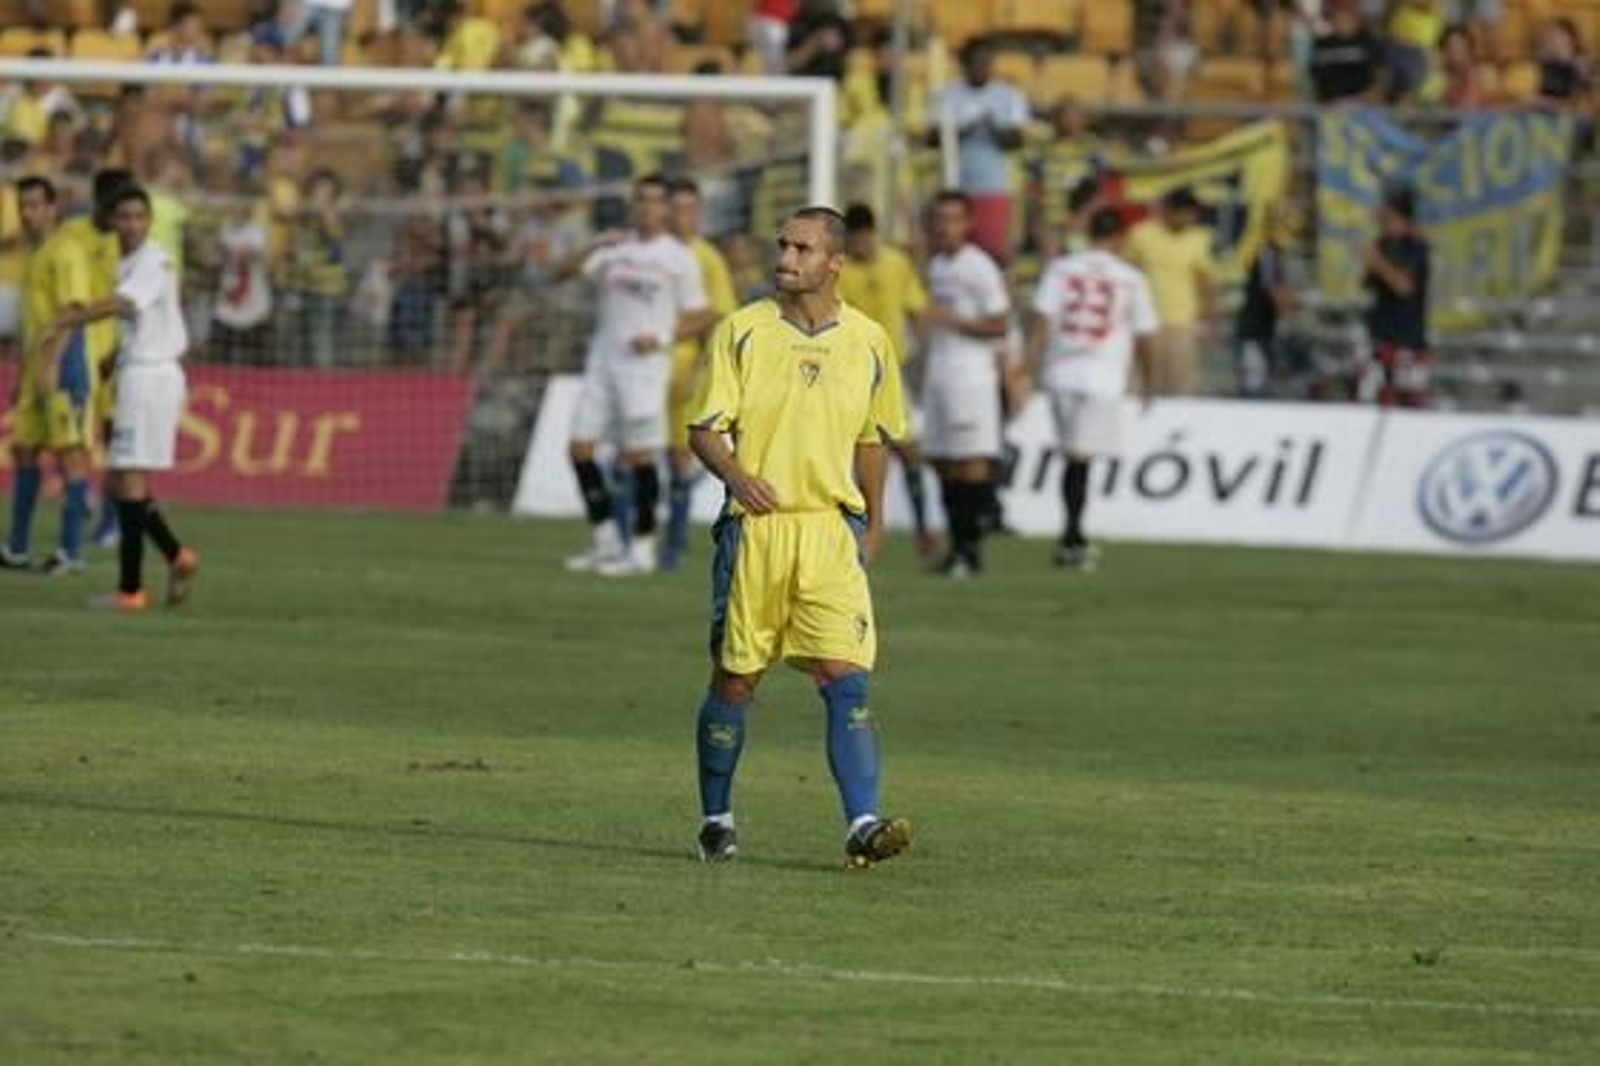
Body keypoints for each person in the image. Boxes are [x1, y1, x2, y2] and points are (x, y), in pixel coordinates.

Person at [685, 205, 911, 868]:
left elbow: (873, 438)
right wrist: (735, 473)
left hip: (830, 531)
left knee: (847, 680)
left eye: (803, 248)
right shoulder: (743, 331)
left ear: (835, 262)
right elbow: (702, 429)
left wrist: (874, 520)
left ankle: (862, 824)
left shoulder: (870, 341)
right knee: (735, 682)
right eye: (782, 245)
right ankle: (716, 818)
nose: (786, 257)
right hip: (756, 533)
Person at [48, 184, 196, 612]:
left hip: (150, 377)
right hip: (140, 371)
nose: (131, 224)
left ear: (149, 221)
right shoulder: (130, 261)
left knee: (128, 481)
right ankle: (176, 556)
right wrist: (113, 358)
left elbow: (120, 303)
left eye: (138, 216)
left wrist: (69, 320)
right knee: (121, 482)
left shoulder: (153, 259)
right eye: (124, 216)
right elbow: (139, 319)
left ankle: (130, 590)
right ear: (112, 220)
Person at [559, 174, 712, 576]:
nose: (647, 207)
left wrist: (660, 338)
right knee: (579, 449)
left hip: (644, 369)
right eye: (641, 200)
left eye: (656, 201)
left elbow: (700, 316)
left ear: (665, 209)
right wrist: (595, 243)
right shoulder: (616, 248)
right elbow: (563, 272)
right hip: (601, 362)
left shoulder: (679, 258)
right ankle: (606, 541)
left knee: (642, 457)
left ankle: (641, 549)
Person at [1024, 207, 1158, 570]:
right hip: (1103, 376)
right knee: (1081, 460)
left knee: (1073, 457)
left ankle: (1072, 534)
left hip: (1060, 373)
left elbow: (1042, 319)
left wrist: (1027, 367)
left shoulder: (1062, 268)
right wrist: (1148, 380)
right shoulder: (1131, 278)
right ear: (1119, 237)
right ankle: (1073, 538)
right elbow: (1145, 336)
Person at [1, 176, 94, 574]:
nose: (28, 213)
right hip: (36, 372)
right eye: (23, 206)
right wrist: (24, 375)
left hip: (63, 367)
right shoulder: (33, 255)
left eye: (37, 205)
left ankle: (71, 552)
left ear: (53, 208)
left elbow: (72, 313)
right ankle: (17, 548)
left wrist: (53, 365)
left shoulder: (66, 250)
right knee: (24, 451)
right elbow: (35, 321)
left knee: (69, 457)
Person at [837, 203, 937, 559]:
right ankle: (860, 533)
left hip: (890, 376)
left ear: (873, 233)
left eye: (865, 237)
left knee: (909, 453)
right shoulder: (838, 270)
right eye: (854, 238)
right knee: (856, 459)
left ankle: (924, 528)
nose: (861, 244)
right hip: (847, 376)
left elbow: (918, 309)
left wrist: (922, 353)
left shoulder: (897, 264)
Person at [921, 191, 1012, 578]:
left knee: (969, 461)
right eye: (939, 218)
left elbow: (1000, 324)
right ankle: (957, 547)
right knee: (942, 460)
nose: (945, 226)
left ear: (968, 223)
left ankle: (969, 548)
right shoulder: (936, 264)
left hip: (970, 377)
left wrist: (954, 320)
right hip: (939, 372)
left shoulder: (980, 267)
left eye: (954, 219)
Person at [661, 177, 735, 571]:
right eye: (676, 208)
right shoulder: (650, 252)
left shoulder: (707, 258)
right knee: (627, 457)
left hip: (684, 367)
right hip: (641, 365)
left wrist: (705, 369)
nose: (682, 216)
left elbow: (720, 317)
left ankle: (672, 545)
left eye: (690, 208)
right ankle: (625, 539)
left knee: (678, 459)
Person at [930, 40, 1029, 263]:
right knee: (954, 255)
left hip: (994, 188)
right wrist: (964, 131)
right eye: (975, 63)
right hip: (955, 189)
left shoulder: (1008, 96)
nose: (981, 68)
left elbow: (1017, 140)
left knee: (994, 255)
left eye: (985, 63)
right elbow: (932, 138)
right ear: (964, 65)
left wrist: (993, 129)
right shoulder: (948, 95)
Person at [1125, 186, 1217, 397]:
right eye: (1188, 213)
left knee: (1182, 387)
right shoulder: (1142, 235)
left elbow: (1208, 283)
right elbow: (1127, 274)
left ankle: (1179, 429)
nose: (1192, 218)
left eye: (1194, 214)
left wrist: (1211, 321)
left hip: (1182, 325)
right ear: (1170, 210)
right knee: (1141, 384)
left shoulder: (1199, 238)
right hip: (1146, 323)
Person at [1359, 185, 1430, 408]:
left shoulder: (1416, 247)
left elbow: (1405, 287)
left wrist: (1378, 263)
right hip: (1381, 336)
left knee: (1408, 404)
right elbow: (1366, 284)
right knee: (1370, 398)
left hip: (1407, 340)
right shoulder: (1382, 243)